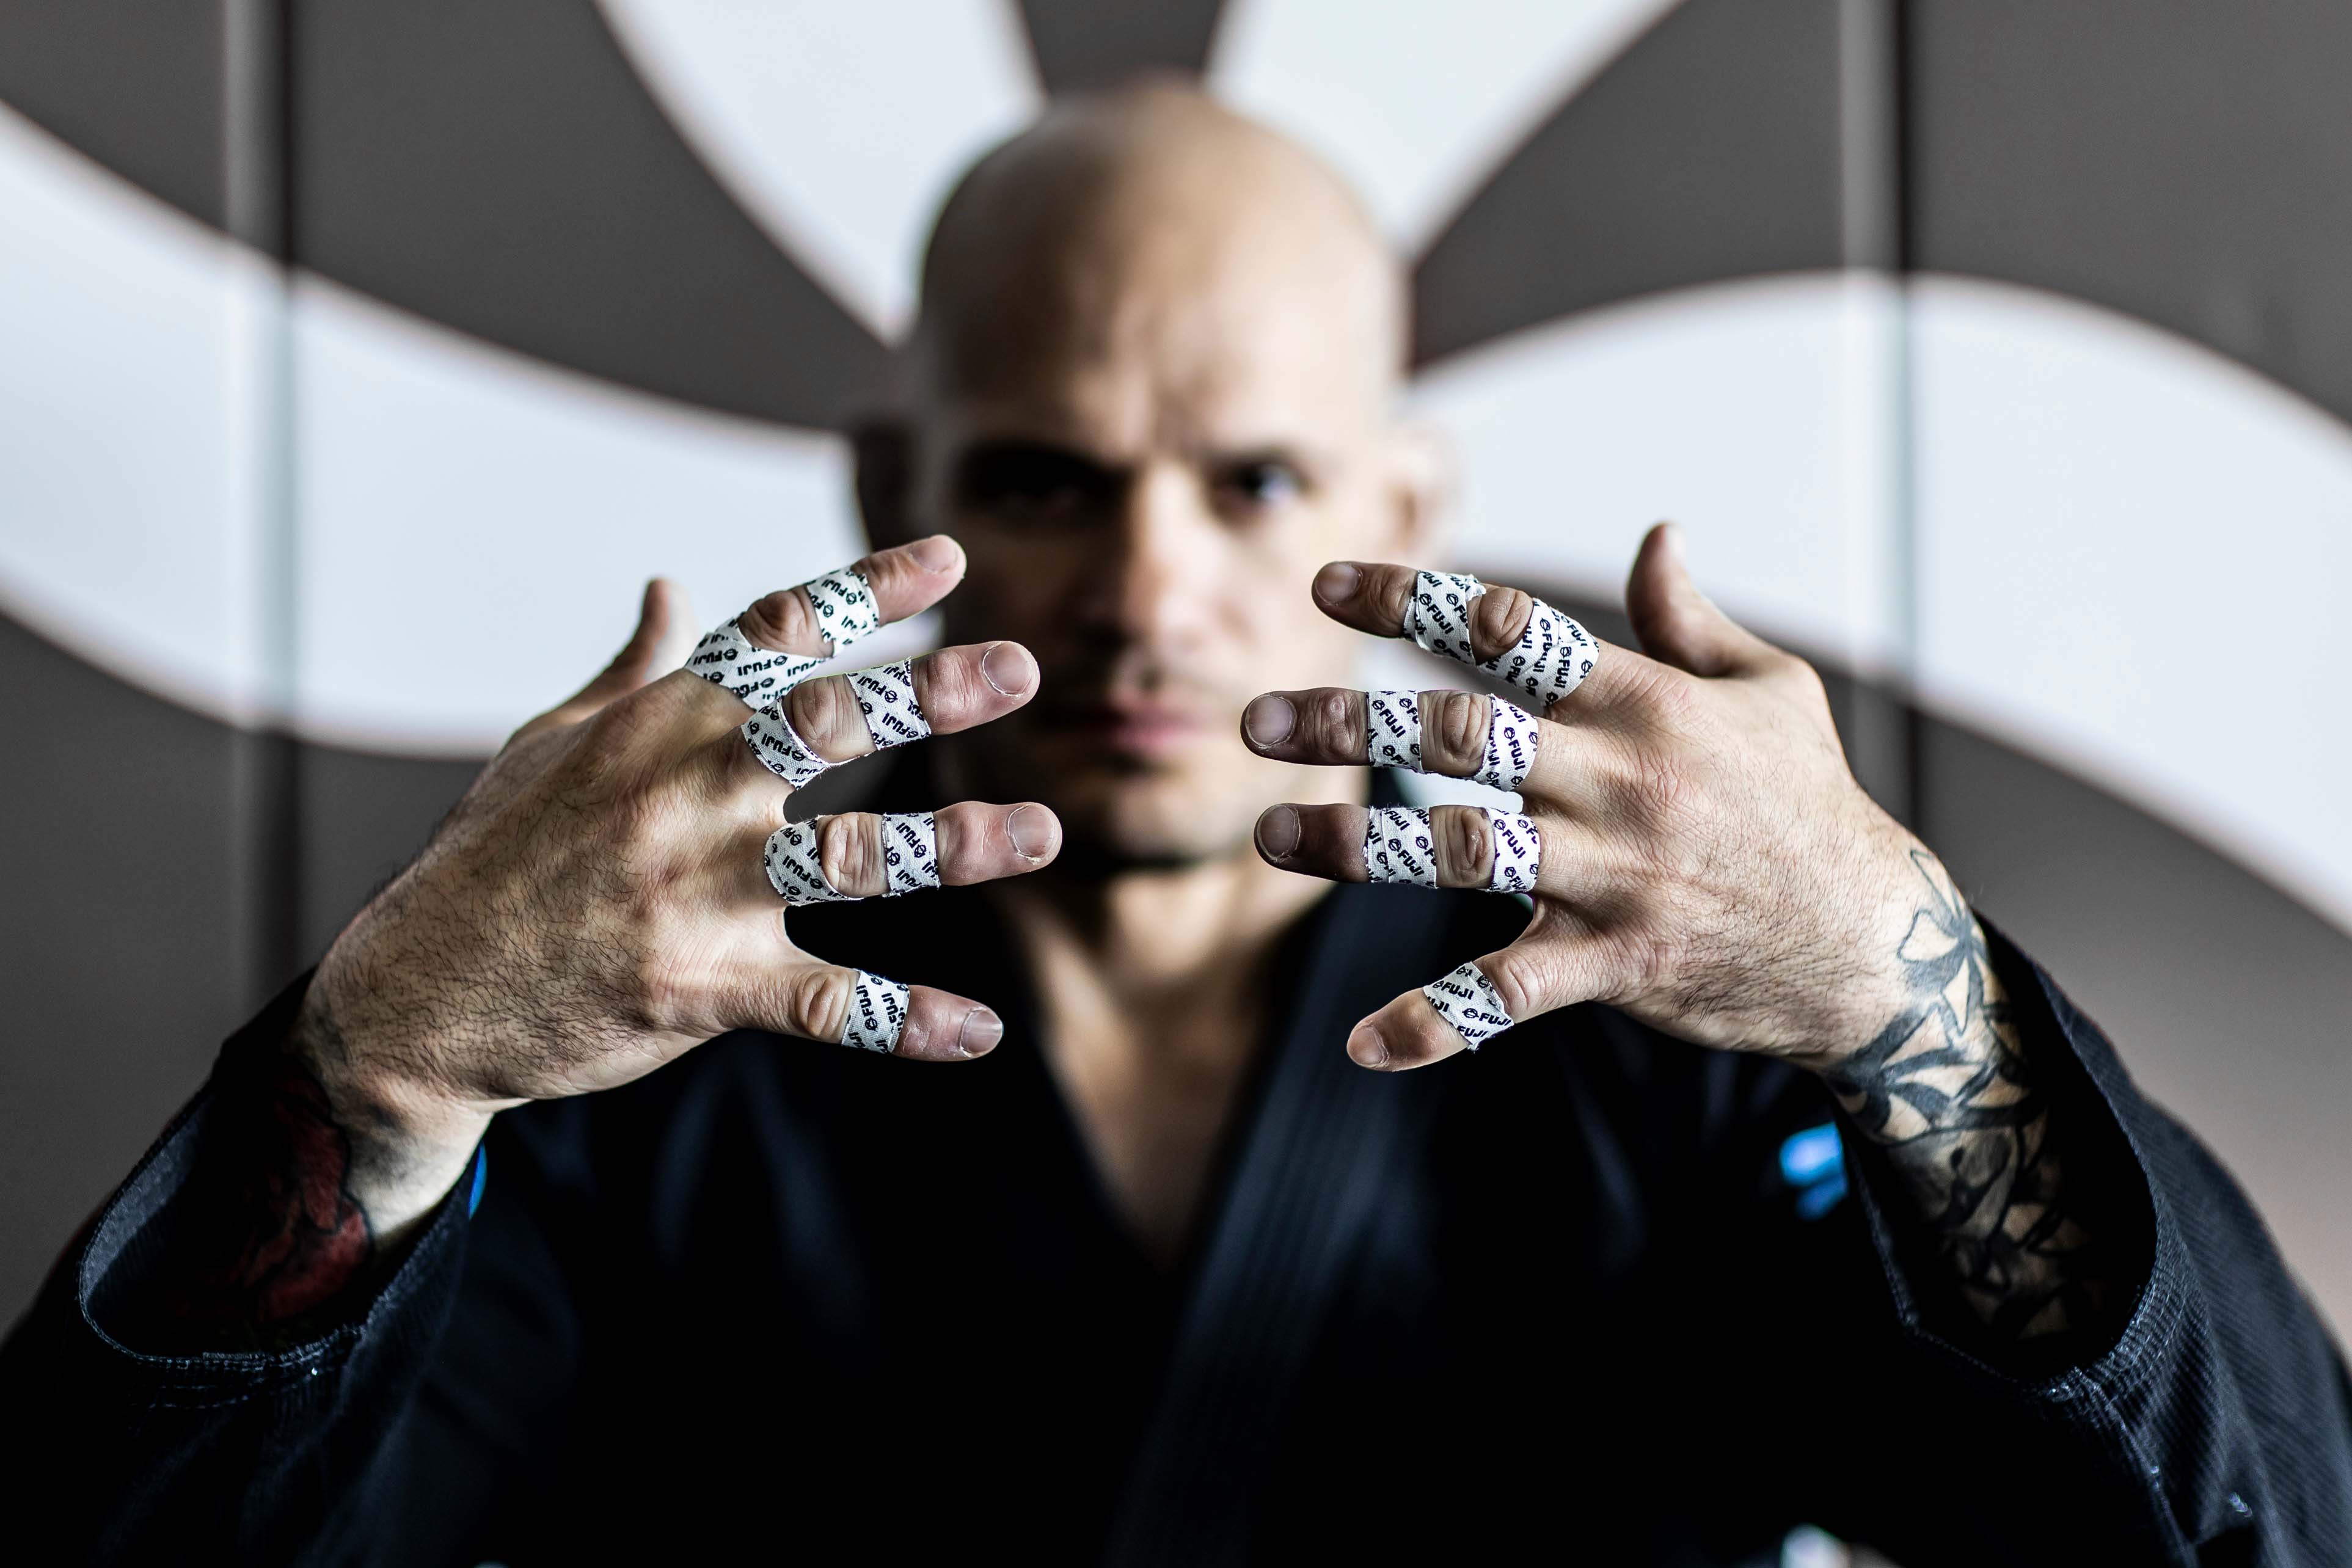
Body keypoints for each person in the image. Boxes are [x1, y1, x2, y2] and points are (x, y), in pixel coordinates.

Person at [5, 82, 2347, 1566]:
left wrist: (1890, 982)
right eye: (1041, 480)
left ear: (1409, 504)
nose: (1142, 592)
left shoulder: (1665, 1035)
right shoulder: (658, 1040)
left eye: (1250, 482)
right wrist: (389, 1060)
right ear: (885, 495)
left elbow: (2260, 1540)